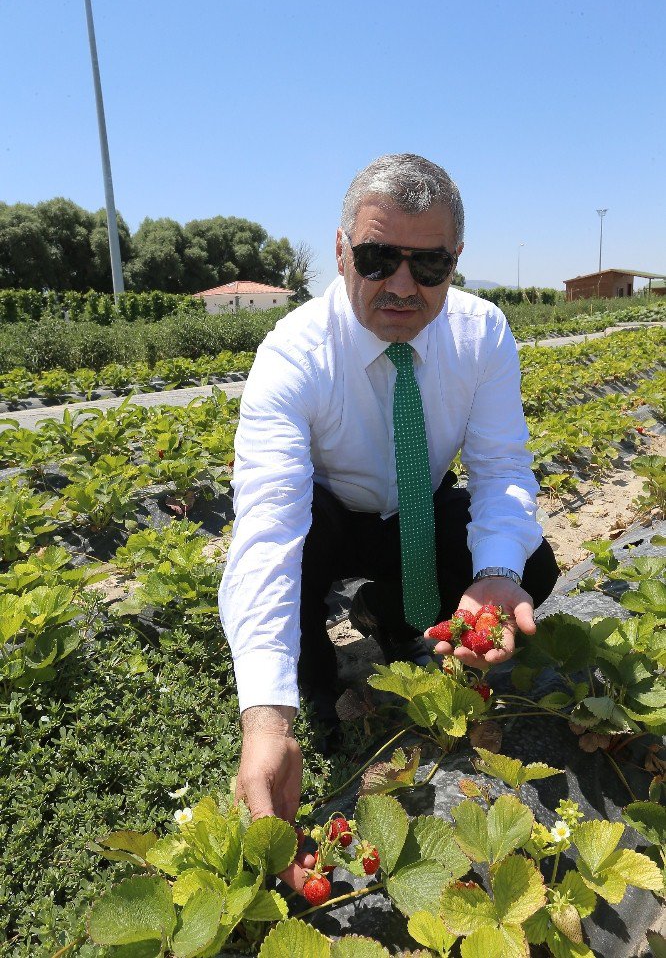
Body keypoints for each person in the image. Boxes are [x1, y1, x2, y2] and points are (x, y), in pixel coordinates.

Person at [218, 153, 559, 892]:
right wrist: (265, 719)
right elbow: (269, 533)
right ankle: (317, 701)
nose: (402, 285)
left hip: (417, 504)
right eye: (377, 258)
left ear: (455, 260)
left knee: (529, 565)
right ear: (341, 250)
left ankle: (393, 614)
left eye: (428, 263)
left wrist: (496, 574)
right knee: (298, 555)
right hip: (331, 514)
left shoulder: (482, 334)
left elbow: (502, 469)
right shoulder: (292, 357)